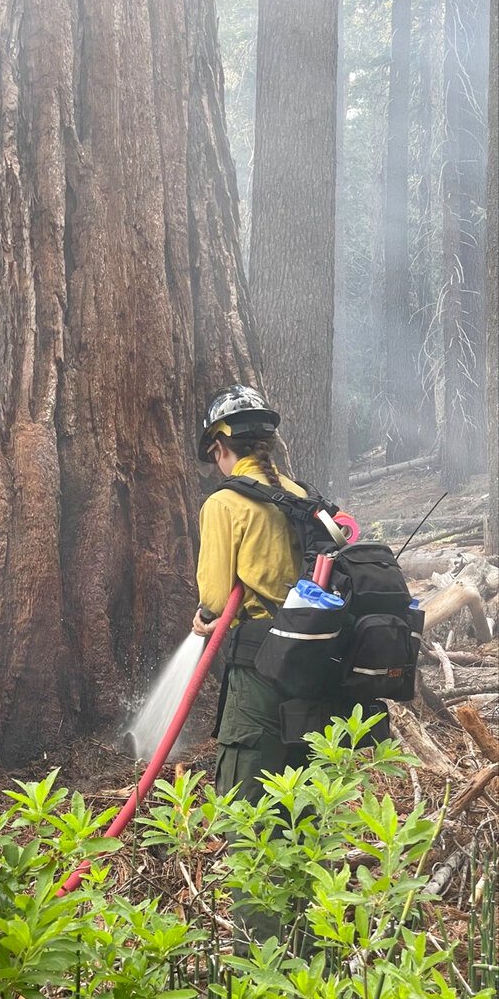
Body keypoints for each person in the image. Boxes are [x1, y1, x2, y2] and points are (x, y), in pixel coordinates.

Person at [191, 384, 311, 947]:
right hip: (310, 673)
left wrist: (204, 616)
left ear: (222, 444)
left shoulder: (225, 503)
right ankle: (309, 953)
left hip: (257, 674)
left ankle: (257, 961)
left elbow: (217, 597)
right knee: (301, 811)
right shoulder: (299, 496)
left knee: (250, 816)